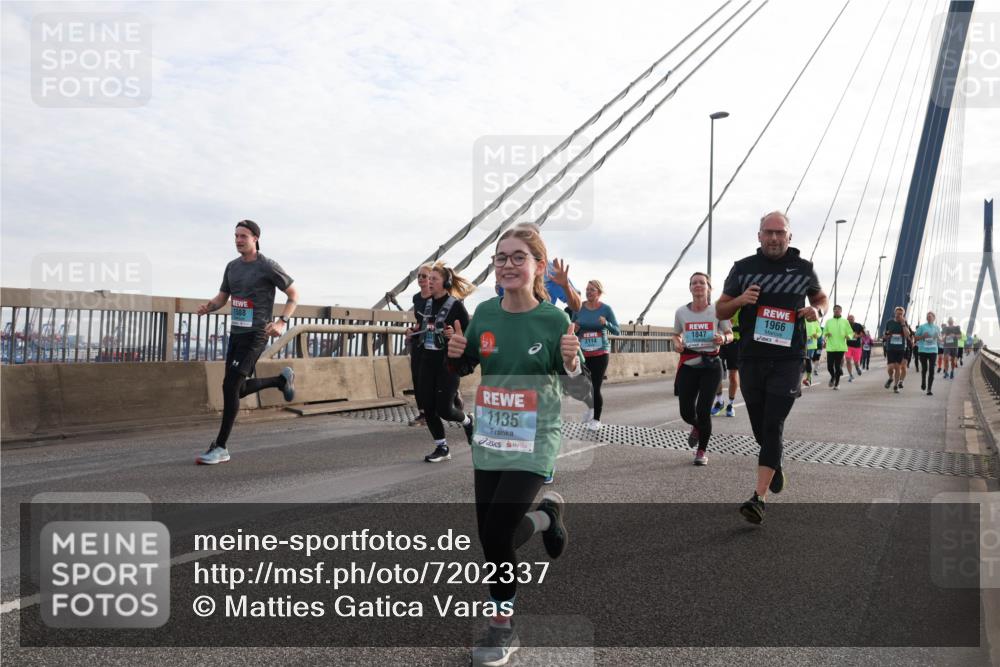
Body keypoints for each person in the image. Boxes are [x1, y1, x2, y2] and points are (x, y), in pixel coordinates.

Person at [447, 222, 587, 666]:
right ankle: (546, 518)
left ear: (537, 266)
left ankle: (502, 627)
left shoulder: (554, 319)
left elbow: (577, 381)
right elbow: (469, 362)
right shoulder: (484, 313)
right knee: (489, 535)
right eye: (501, 257)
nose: (508, 264)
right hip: (490, 436)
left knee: (495, 532)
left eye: (518, 257)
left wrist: (569, 360)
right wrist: (456, 354)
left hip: (534, 439)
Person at [717, 211, 828, 524]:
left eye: (780, 233)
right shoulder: (743, 268)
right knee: (759, 428)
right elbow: (720, 307)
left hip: (788, 358)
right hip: (751, 357)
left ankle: (758, 498)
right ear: (759, 236)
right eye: (769, 232)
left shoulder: (803, 268)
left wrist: (816, 311)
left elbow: (820, 298)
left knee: (773, 423)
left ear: (789, 237)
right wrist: (740, 300)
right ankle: (775, 462)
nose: (775, 238)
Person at [195, 220, 298, 465]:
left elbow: (294, 294)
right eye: (236, 236)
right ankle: (280, 380)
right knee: (235, 388)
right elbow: (223, 297)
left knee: (230, 386)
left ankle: (220, 447)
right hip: (236, 333)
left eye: (243, 236)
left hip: (256, 334)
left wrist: (282, 321)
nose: (238, 240)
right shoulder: (232, 267)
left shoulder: (268, 266)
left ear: (255, 238)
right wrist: (208, 307)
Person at [673, 272, 733, 465]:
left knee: (704, 409)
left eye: (701, 282)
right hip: (689, 363)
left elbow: (730, 334)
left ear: (708, 288)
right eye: (694, 283)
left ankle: (701, 451)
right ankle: (696, 426)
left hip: (711, 364)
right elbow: (676, 335)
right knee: (686, 412)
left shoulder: (717, 310)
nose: (698, 285)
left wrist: (722, 339)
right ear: (690, 288)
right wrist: (677, 343)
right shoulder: (681, 312)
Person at [419, 262, 475, 463]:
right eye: (428, 278)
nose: (429, 282)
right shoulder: (424, 303)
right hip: (427, 360)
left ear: (445, 282)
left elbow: (469, 334)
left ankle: (468, 421)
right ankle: (442, 447)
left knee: (444, 410)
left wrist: (454, 335)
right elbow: (422, 327)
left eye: (434, 279)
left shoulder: (456, 305)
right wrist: (413, 331)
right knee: (428, 407)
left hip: (448, 363)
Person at [573, 280, 619, 431]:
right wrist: (576, 328)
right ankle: (590, 407)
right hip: (583, 352)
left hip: (600, 352)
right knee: (581, 385)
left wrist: (606, 323)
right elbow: (571, 328)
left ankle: (596, 419)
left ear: (599, 292)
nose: (588, 292)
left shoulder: (606, 309)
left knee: (596, 385)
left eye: (592, 290)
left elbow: (617, 331)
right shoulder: (579, 308)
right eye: (587, 289)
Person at [407, 264, 433, 427]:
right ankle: (423, 413)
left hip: (432, 341)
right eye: (419, 276)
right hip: (418, 341)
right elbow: (419, 321)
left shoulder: (437, 298)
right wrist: (411, 330)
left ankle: (452, 397)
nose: (421, 279)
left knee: (430, 377)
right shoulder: (416, 298)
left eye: (425, 276)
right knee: (417, 376)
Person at [711, 309, 741, 417]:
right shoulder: (719, 305)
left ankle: (731, 405)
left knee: (733, 376)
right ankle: (719, 402)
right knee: (716, 374)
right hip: (720, 343)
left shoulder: (741, 306)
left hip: (735, 343)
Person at [882, 306, 912, 393]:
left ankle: (896, 385)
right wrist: (887, 335)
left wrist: (903, 324)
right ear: (895, 313)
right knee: (890, 367)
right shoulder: (889, 322)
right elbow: (885, 335)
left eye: (901, 314)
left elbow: (907, 335)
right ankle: (891, 378)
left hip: (900, 348)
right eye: (897, 313)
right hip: (890, 348)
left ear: (903, 315)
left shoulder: (904, 322)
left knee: (898, 367)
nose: (899, 315)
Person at [822, 306, 852, 390]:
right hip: (830, 347)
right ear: (833, 311)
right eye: (835, 310)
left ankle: (837, 384)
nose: (836, 311)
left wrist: (848, 336)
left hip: (841, 347)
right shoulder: (828, 321)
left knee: (837, 366)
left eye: (838, 310)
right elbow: (824, 332)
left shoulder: (845, 321)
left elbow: (850, 332)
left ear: (841, 311)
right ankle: (833, 376)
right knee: (829, 366)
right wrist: (826, 334)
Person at [915, 311, 941, 396]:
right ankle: (923, 382)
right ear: (926, 318)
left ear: (934, 318)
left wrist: (938, 337)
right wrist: (922, 336)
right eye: (928, 316)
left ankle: (929, 389)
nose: (929, 317)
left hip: (933, 350)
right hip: (923, 350)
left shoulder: (937, 328)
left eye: (931, 316)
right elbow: (915, 338)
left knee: (931, 369)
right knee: (925, 368)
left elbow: (940, 339)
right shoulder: (922, 327)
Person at [803, 317, 822, 386]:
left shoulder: (815, 321)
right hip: (801, 344)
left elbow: (819, 331)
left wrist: (817, 335)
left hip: (811, 345)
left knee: (808, 360)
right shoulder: (802, 320)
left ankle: (808, 378)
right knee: (800, 361)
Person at [845, 314, 864, 380]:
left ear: (854, 319)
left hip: (857, 347)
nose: (850, 320)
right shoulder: (845, 326)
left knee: (856, 362)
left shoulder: (858, 325)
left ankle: (857, 368)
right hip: (848, 346)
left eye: (851, 319)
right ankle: (850, 375)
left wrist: (857, 336)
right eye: (849, 319)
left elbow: (863, 334)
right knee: (848, 360)